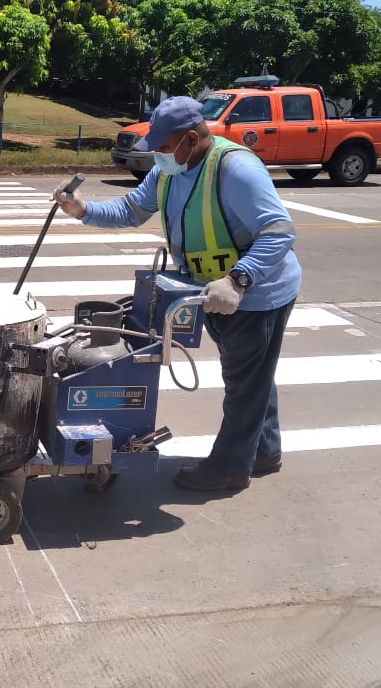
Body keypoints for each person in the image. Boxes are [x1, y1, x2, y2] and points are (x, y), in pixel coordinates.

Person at [53, 96, 302, 491]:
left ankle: (230, 467)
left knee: (245, 381)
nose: (158, 154)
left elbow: (279, 233)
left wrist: (238, 280)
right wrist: (84, 210)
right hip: (210, 291)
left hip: (256, 293)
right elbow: (132, 210)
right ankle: (265, 450)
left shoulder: (235, 169)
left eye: (164, 147)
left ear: (191, 138)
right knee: (252, 373)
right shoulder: (170, 170)